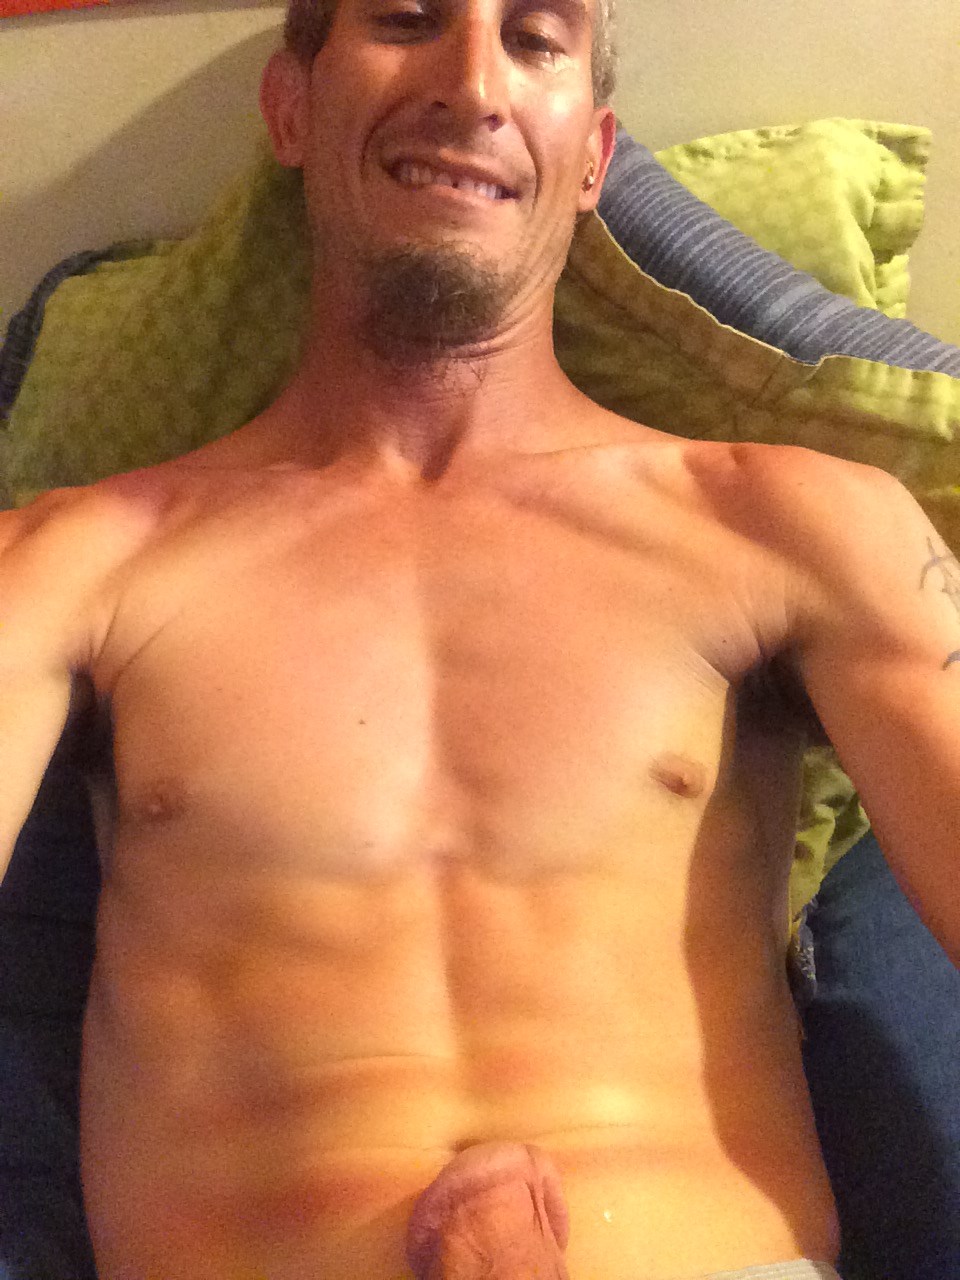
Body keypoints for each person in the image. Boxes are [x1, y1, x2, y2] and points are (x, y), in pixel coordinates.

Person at [1, 0, 958, 1276]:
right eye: (407, 19)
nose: (473, 81)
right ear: (291, 108)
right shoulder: (79, 559)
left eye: (536, 39)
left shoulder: (793, 521)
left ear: (595, 158)